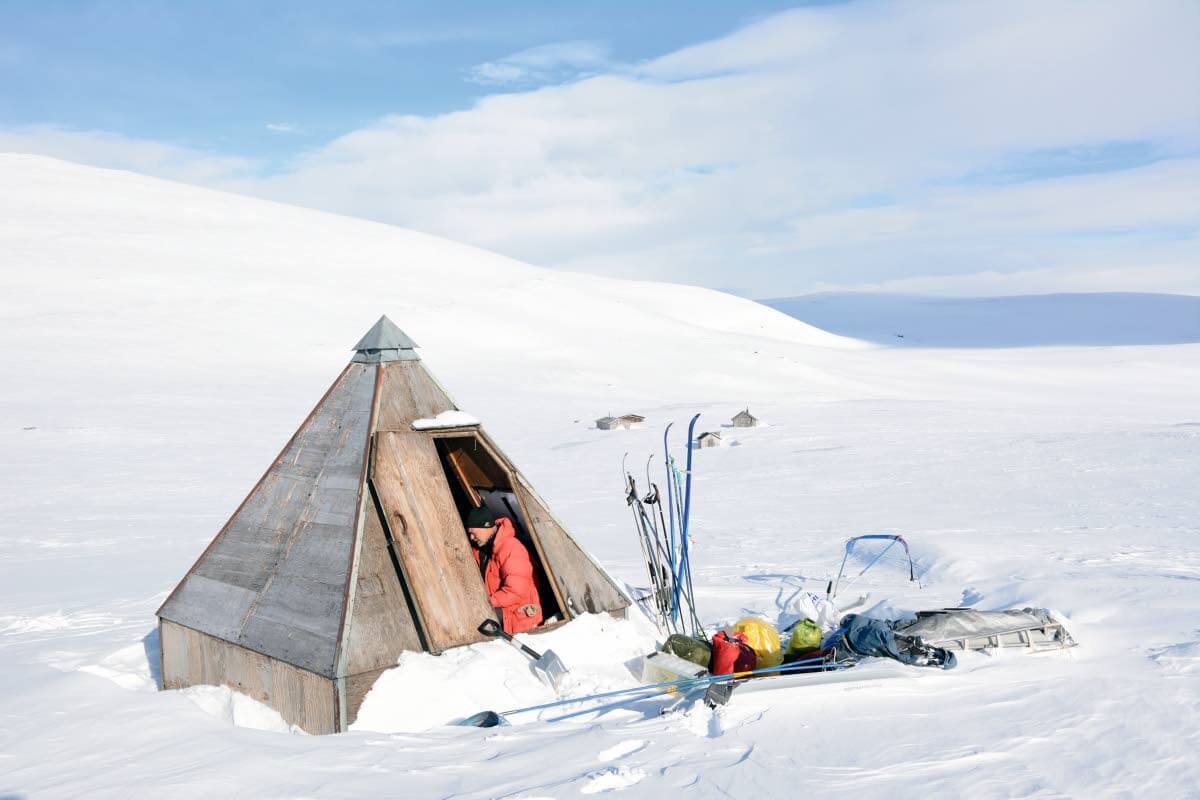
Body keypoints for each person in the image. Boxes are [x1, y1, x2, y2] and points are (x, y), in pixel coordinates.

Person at [464, 504, 543, 634]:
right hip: (504, 609)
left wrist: (486, 603)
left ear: (485, 526)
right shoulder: (485, 550)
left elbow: (515, 592)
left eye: (473, 533)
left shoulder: (511, 549)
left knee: (476, 621)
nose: (472, 538)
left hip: (519, 615)